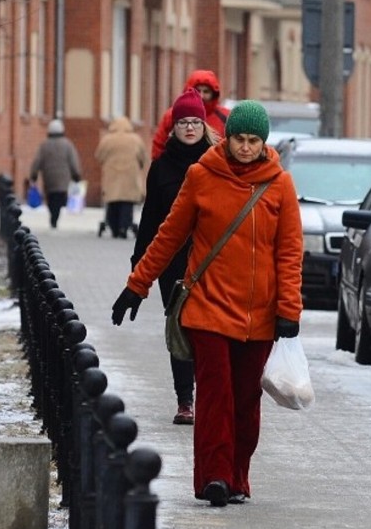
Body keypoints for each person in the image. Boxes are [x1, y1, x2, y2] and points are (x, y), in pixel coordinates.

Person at [111, 100, 303, 507]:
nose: (246, 147)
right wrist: (137, 285)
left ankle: (237, 475)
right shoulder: (201, 176)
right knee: (215, 396)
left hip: (258, 315)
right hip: (209, 308)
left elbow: (289, 252)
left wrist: (289, 309)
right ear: (227, 137)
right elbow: (168, 236)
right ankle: (213, 477)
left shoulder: (279, 185)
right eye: (239, 139)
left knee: (246, 401)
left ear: (264, 143)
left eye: (254, 140)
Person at [130, 89, 218, 425]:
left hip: (211, 260)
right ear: (173, 126)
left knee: (208, 330)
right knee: (179, 328)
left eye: (196, 121)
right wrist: (139, 267)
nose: (191, 128)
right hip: (173, 263)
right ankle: (185, 400)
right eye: (184, 122)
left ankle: (210, 395)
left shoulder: (217, 161)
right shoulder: (161, 167)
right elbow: (150, 219)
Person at [151, 69, 230, 160]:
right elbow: (159, 144)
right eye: (197, 90)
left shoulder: (225, 117)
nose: (201, 96)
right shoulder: (173, 115)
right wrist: (161, 168)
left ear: (214, 94)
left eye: (206, 91)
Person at [94, 116, 148, 239]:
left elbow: (99, 156)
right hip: (130, 177)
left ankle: (114, 227)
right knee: (127, 203)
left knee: (113, 202)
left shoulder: (107, 139)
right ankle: (125, 226)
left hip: (112, 177)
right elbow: (142, 157)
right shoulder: (135, 139)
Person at [29, 119, 82, 229]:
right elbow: (73, 161)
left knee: (51, 197)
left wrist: (34, 174)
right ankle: (55, 217)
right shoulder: (67, 144)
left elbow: (37, 161)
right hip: (63, 178)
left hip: (49, 177)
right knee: (60, 197)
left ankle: (53, 215)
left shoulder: (44, 145)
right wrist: (76, 174)